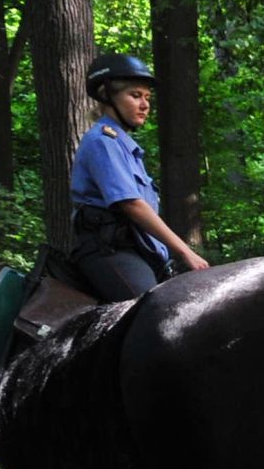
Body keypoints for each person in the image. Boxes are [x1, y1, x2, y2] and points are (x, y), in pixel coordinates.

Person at [69, 52, 208, 301]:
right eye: (135, 96)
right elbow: (132, 205)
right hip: (109, 251)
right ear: (106, 95)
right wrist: (186, 252)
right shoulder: (103, 141)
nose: (145, 105)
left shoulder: (126, 147)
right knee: (155, 313)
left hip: (139, 252)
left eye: (147, 98)